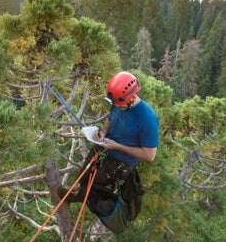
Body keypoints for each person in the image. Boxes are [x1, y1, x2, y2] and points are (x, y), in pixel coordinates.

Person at [59, 71, 159, 204]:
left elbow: (149, 155)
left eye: (119, 105)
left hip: (119, 162)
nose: (116, 107)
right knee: (85, 172)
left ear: (132, 96)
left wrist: (116, 146)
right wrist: (103, 132)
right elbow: (111, 118)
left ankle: (73, 198)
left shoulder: (147, 119)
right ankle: (75, 190)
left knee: (93, 183)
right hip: (104, 146)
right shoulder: (119, 101)